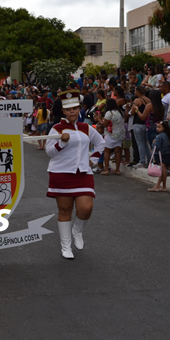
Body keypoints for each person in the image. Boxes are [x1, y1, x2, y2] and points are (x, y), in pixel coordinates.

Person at [45, 90, 105, 259]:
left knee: (86, 208)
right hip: (61, 173)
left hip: (83, 173)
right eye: (68, 109)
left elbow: (101, 143)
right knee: (65, 210)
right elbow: (49, 152)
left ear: (79, 109)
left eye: (75, 108)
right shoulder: (56, 129)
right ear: (63, 111)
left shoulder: (86, 128)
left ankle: (77, 230)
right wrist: (62, 142)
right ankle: (66, 246)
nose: (72, 111)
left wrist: (92, 160)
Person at [95, 98, 124, 175]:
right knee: (118, 152)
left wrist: (99, 119)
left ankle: (106, 169)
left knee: (107, 151)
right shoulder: (120, 112)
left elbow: (104, 124)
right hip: (119, 134)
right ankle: (117, 170)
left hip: (110, 134)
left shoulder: (109, 113)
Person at [148, 121, 170, 192]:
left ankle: (160, 186)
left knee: (162, 170)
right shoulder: (167, 135)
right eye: (157, 127)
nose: (157, 128)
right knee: (163, 169)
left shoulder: (160, 136)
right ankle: (162, 186)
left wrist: (153, 143)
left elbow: (158, 146)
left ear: (164, 128)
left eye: (159, 127)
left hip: (161, 154)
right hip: (166, 153)